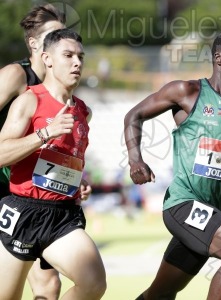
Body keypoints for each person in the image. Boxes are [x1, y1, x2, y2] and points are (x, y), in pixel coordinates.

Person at [124, 31, 221, 300]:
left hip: (216, 214)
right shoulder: (187, 92)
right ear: (219, 59)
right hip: (184, 205)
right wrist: (135, 158)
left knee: (159, 295)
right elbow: (134, 115)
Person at [0, 28, 106, 300]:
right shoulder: (28, 100)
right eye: (68, 55)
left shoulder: (83, 111)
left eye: (81, 57)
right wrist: (45, 132)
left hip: (62, 216)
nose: (77, 63)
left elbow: (60, 160)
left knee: (94, 283)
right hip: (23, 212)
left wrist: (76, 182)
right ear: (47, 59)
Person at [0, 4, 70, 299]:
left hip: (31, 195)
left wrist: (73, 179)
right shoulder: (16, 75)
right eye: (54, 35)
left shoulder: (58, 86)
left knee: (49, 284)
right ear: (34, 44)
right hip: (3, 186)